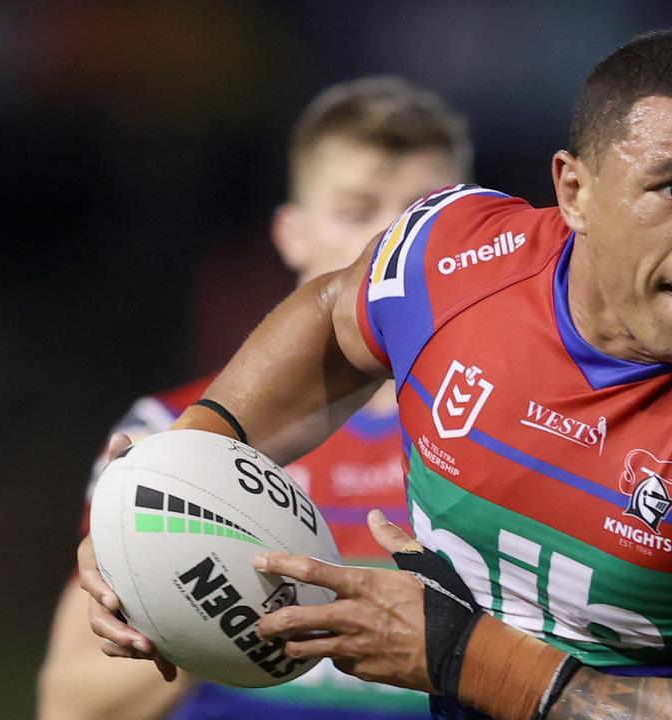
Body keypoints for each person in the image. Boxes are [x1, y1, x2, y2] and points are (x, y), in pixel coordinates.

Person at [82, 29, 672, 720]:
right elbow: (336, 311)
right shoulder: (455, 256)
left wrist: (462, 655)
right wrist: (182, 471)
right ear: (575, 191)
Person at [38, 76, 473, 720]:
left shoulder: (512, 432)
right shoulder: (173, 441)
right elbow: (71, 703)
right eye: (357, 211)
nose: (391, 248)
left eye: (419, 218)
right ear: (291, 233)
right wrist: (195, 605)